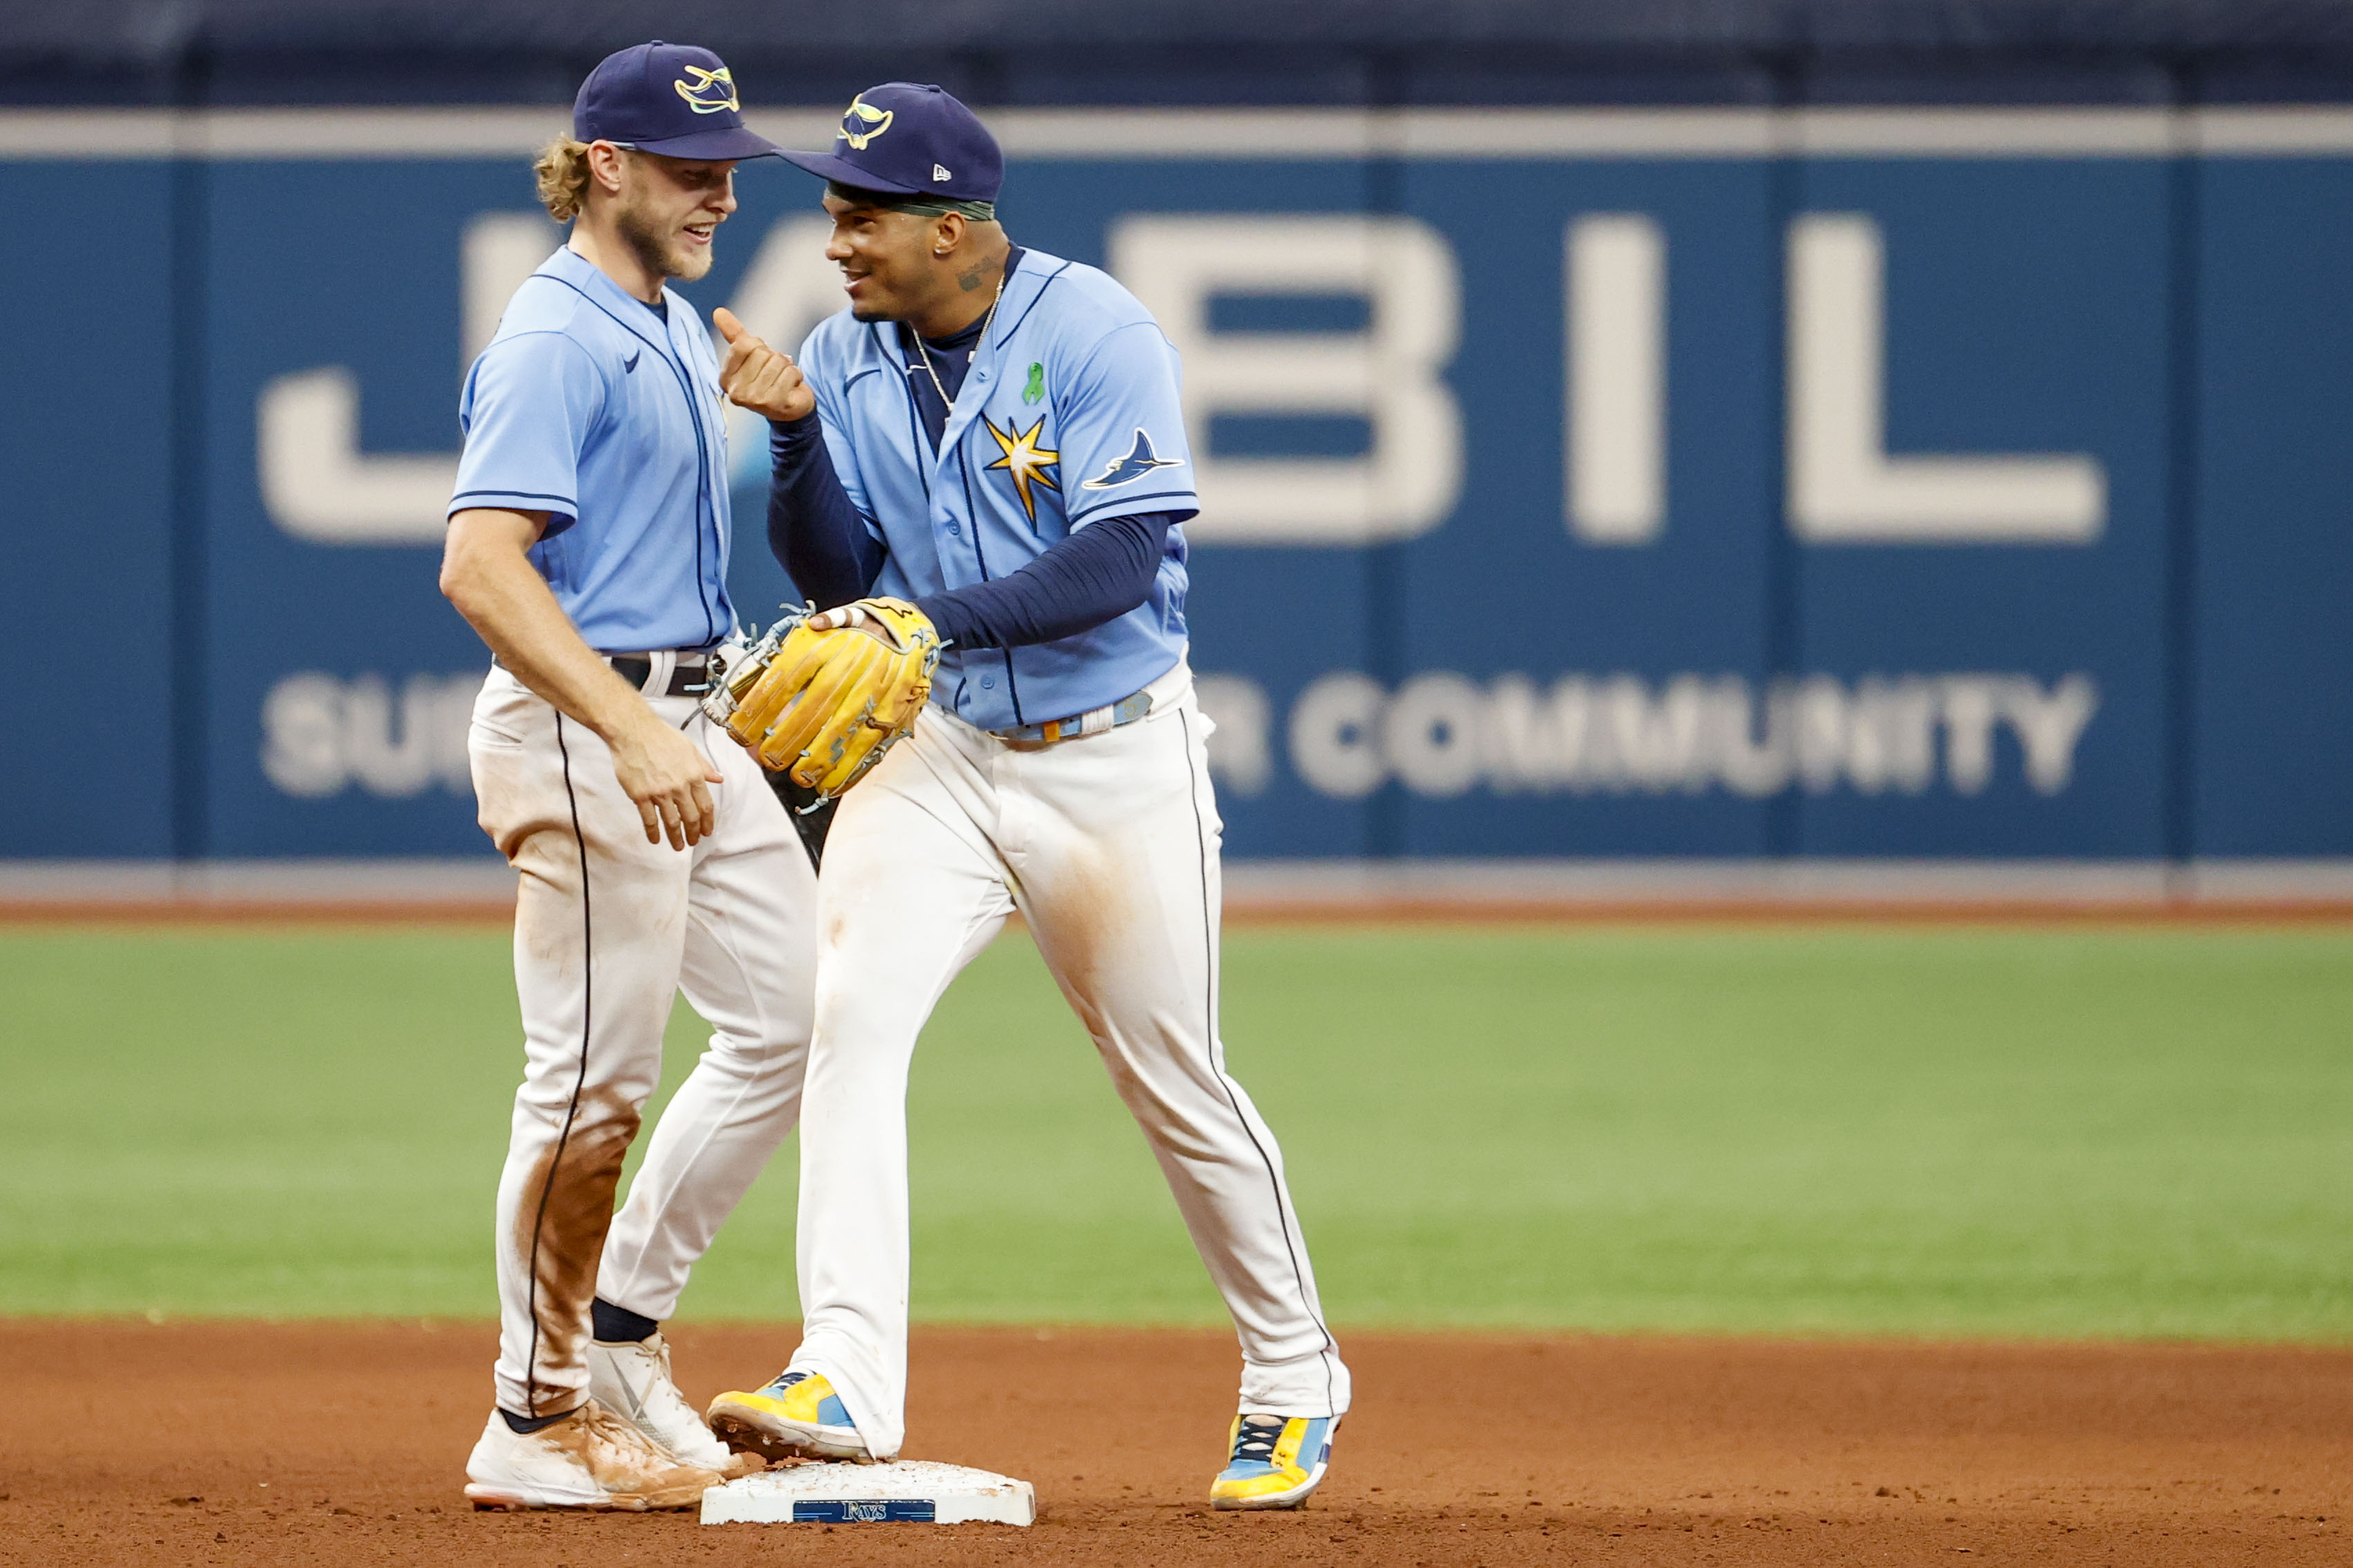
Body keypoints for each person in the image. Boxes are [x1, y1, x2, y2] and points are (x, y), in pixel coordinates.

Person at [695, 82, 1351, 1510]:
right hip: (938, 755)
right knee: (846, 1023)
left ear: (957, 226)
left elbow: (1120, 559)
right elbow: (839, 583)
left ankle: (1295, 1369)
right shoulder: (844, 354)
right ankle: (846, 1372)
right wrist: (799, 436)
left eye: (863, 218)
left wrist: (926, 626)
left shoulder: (1095, 330)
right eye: (833, 217)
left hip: (1114, 757)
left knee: (1171, 1077)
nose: (838, 244)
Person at [437, 41, 818, 1511]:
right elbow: (482, 565)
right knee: (590, 1086)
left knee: (791, 1021)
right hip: (597, 742)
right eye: (686, 163)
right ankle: (529, 1420)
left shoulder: (657, 314)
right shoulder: (554, 336)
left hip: (689, 730)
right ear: (604, 166)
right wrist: (633, 726)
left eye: (728, 162)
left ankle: (607, 1339)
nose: (719, 187)